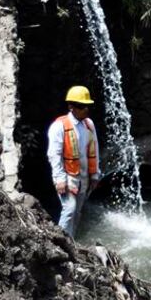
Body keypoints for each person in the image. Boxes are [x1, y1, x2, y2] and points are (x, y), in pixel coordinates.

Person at [46, 86, 102, 238]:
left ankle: (71, 242)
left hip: (84, 177)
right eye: (81, 106)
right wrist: (59, 179)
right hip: (68, 177)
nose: (86, 109)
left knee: (77, 212)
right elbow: (54, 154)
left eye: (87, 106)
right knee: (69, 209)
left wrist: (95, 174)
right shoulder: (59, 126)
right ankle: (59, 242)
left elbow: (95, 149)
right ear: (71, 107)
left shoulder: (89, 124)